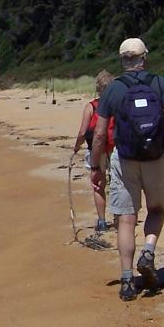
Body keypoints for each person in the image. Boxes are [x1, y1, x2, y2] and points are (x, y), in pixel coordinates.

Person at [90, 38, 164, 301]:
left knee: (126, 219)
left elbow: (98, 135)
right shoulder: (159, 82)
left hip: (125, 159)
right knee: (156, 209)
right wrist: (161, 132)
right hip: (155, 158)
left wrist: (96, 167)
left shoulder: (113, 89)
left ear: (122, 60)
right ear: (145, 58)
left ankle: (128, 279)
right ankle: (149, 251)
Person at [71, 70, 113, 233]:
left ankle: (102, 221)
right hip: (115, 148)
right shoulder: (118, 105)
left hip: (96, 150)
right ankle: (120, 218)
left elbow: (82, 132)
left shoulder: (91, 106)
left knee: (98, 185)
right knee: (118, 184)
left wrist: (76, 147)